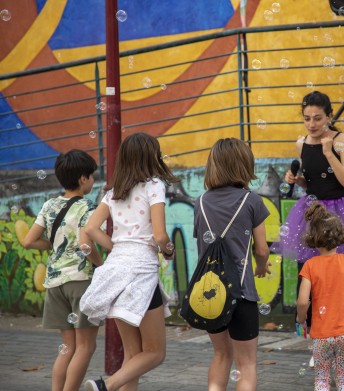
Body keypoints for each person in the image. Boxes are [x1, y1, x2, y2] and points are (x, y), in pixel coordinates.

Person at [273, 90, 344, 364]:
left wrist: (329, 153)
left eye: (318, 118)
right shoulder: (301, 143)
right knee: (312, 279)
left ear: (330, 116)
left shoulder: (341, 140)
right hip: (314, 212)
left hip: (343, 212)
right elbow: (312, 182)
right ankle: (319, 341)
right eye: (307, 119)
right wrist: (297, 180)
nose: (312, 124)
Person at [79, 132, 180, 391]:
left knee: (133, 355)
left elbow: (91, 228)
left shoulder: (113, 191)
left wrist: (117, 247)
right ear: (151, 157)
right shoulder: (154, 185)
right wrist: (168, 250)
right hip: (141, 273)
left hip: (117, 268)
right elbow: (159, 235)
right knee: (155, 353)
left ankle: (108, 385)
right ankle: (106, 386)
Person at [194, 138, 271, 391]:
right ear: (244, 164)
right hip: (242, 293)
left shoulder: (201, 201)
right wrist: (261, 266)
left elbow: (203, 247)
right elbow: (261, 249)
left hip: (209, 294)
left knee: (220, 355)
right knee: (246, 364)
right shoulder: (252, 201)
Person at [23, 149, 103, 391]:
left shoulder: (49, 205)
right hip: (80, 281)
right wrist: (102, 265)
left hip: (55, 283)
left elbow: (28, 241)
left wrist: (55, 245)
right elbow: (86, 245)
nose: (93, 180)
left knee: (67, 347)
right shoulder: (88, 207)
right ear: (82, 178)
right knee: (86, 346)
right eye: (91, 176)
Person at [296, 202, 344, 391]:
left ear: (313, 237)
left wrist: (301, 319)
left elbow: (303, 301)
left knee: (321, 380)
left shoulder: (310, 265)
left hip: (322, 334)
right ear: (340, 235)